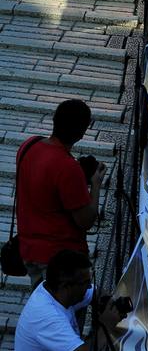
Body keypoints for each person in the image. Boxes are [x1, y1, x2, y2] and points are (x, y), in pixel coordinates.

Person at [16, 99, 106, 290]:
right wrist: (95, 185)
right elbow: (86, 220)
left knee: (43, 310)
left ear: (55, 120)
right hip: (61, 262)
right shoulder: (67, 168)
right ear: (81, 132)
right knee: (63, 317)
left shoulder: (28, 145)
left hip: (30, 251)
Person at [13, 249, 125, 351]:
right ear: (66, 286)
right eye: (85, 283)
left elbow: (95, 292)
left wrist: (108, 303)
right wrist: (106, 325)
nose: (89, 286)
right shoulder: (46, 316)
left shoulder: (56, 291)